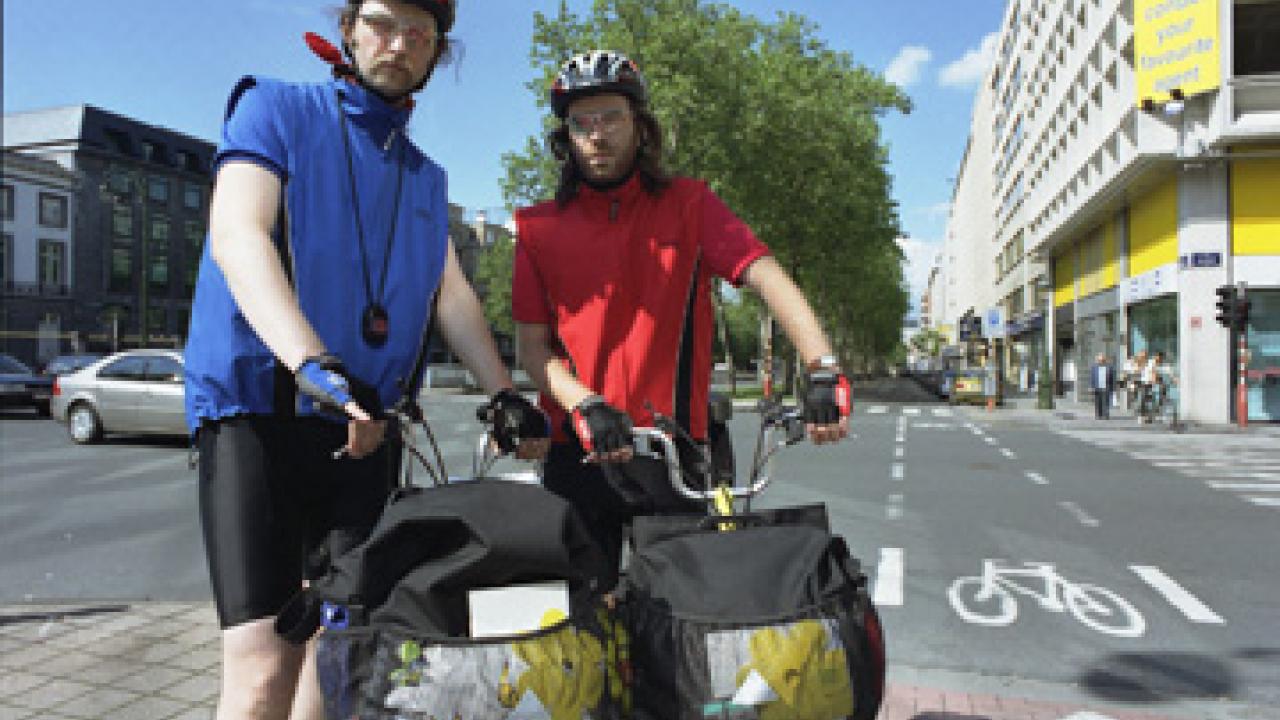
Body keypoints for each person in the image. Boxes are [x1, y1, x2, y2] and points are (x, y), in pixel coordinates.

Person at [183, 2, 549, 718]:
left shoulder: (424, 176)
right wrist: (310, 361)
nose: (399, 44)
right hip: (261, 413)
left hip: (367, 430)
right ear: (348, 29)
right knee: (263, 664)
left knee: (338, 651)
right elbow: (238, 233)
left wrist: (505, 393)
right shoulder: (273, 108)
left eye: (421, 34)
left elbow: (450, 294)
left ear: (438, 52)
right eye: (382, 23)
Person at [511, 51, 852, 585]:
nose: (597, 135)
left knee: (683, 616)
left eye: (611, 118)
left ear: (640, 127)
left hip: (675, 455)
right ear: (565, 138)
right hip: (578, 448)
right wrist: (586, 404)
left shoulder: (689, 205)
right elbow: (532, 349)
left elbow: (767, 276)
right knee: (579, 617)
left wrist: (822, 366)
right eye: (581, 122)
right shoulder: (538, 228)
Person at [1089, 352, 1115, 419]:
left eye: (1102, 359)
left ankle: (1105, 415)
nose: (1101, 360)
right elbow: (1092, 377)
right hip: (1097, 387)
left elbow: (1112, 378)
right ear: (1098, 359)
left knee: (1106, 402)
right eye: (1100, 359)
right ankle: (1098, 415)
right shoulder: (1094, 367)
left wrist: (1112, 388)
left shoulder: (1109, 367)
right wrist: (1091, 386)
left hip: (1106, 387)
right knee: (1098, 402)